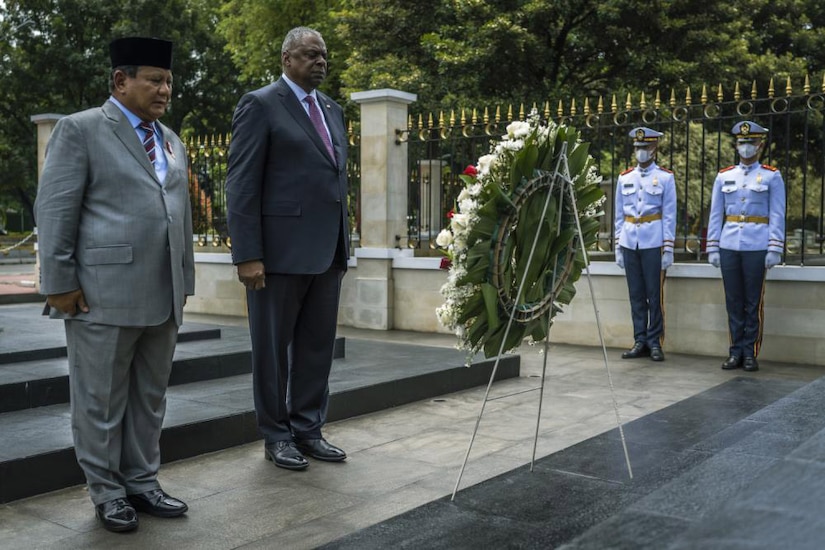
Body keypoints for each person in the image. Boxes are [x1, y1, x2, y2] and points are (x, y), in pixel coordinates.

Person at [34, 37, 194, 532]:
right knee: (100, 401)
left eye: (168, 80)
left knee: (149, 397)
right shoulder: (80, 130)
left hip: (162, 294)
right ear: (120, 81)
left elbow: (179, 216)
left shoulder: (171, 139)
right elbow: (56, 208)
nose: (164, 89)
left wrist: (184, 279)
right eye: (154, 79)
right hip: (100, 294)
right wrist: (58, 283)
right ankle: (107, 493)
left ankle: (143, 482)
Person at [225, 26, 349, 471]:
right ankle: (276, 435)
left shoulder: (332, 110)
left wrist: (343, 245)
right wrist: (247, 253)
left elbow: (335, 182)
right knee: (272, 351)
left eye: (324, 55)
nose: (320, 61)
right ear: (286, 59)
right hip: (275, 257)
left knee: (317, 347)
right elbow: (240, 185)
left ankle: (308, 429)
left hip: (326, 253)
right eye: (311, 54)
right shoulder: (260, 105)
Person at [706, 121, 785, 372]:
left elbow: (777, 213)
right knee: (733, 301)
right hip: (729, 243)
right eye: (742, 142)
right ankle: (735, 350)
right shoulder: (725, 175)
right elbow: (716, 214)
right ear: (736, 145)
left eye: (751, 142)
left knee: (753, 302)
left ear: (760, 145)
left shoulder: (772, 176)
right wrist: (713, 246)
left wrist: (775, 246)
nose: (746, 147)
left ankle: (750, 352)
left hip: (757, 244)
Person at [614, 127, 677, 362]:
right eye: (637, 147)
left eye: (645, 147)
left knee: (654, 295)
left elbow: (669, 215)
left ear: (654, 149)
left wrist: (668, 248)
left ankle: (654, 342)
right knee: (636, 295)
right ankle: (639, 339)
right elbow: (619, 215)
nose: (640, 152)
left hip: (654, 241)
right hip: (630, 240)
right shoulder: (625, 178)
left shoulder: (665, 178)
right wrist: (618, 247)